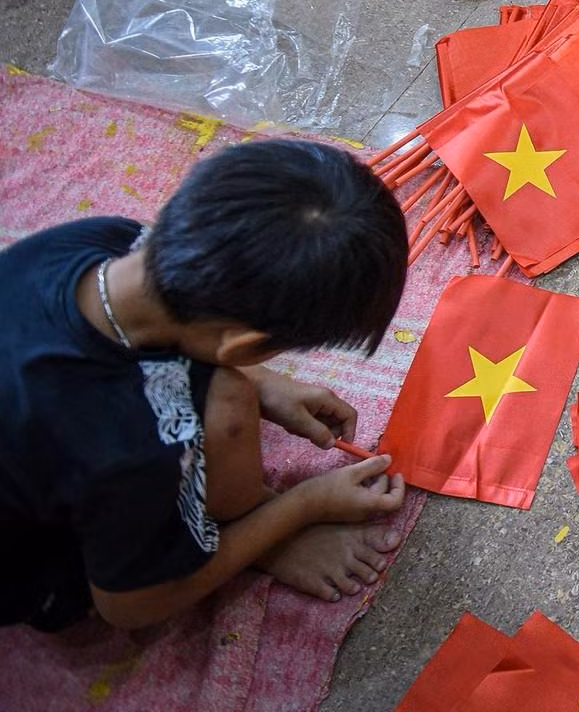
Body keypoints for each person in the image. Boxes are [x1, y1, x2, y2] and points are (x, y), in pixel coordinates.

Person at [0, 140, 411, 632]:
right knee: (227, 403)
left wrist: (265, 381)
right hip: (34, 571)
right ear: (241, 345)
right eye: (265, 355)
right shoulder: (130, 451)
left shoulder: (100, 241)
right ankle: (252, 528)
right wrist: (301, 507)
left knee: (230, 394)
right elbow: (131, 607)